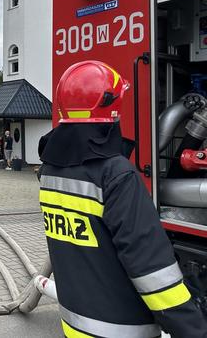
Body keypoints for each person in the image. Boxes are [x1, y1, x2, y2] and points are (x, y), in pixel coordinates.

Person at [39, 60, 207, 337]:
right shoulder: (116, 175)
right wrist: (193, 328)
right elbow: (152, 271)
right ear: (110, 107)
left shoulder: (50, 169)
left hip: (75, 326)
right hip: (121, 329)